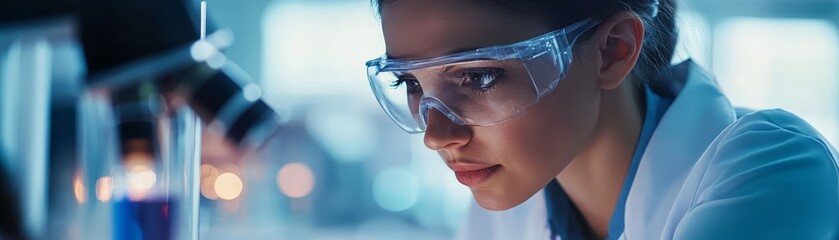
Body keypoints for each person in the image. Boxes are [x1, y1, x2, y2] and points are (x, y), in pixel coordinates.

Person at [363, 0, 839, 239]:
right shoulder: (501, 213)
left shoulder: (774, 168)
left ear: (613, 51)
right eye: (411, 84)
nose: (436, 135)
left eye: (479, 77)